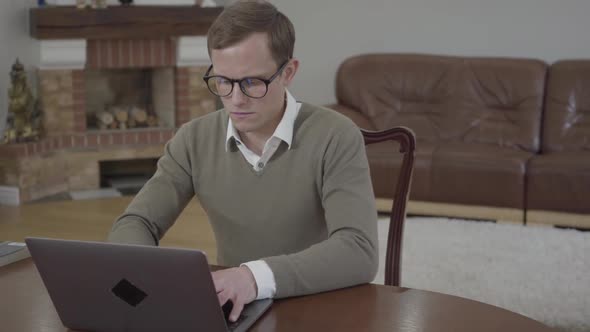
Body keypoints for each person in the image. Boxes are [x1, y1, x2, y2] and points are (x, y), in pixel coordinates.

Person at [107, 0, 378, 322]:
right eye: (223, 81)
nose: (235, 100)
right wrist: (146, 273)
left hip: (318, 302)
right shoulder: (193, 139)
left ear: (288, 72)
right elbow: (137, 222)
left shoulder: (335, 135)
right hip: (234, 310)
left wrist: (252, 277)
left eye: (252, 82)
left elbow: (358, 250)